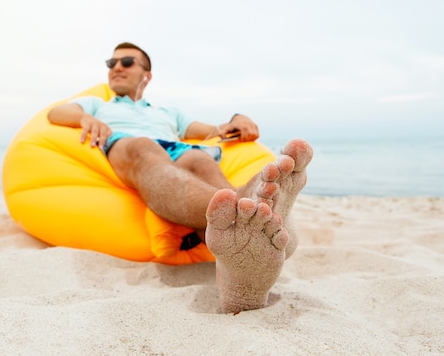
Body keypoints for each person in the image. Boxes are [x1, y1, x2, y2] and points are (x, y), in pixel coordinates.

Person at [47, 42, 313, 313]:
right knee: (144, 147)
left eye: (126, 62)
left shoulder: (168, 113)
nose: (116, 68)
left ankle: (243, 255)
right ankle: (251, 211)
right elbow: (56, 112)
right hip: (128, 144)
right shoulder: (98, 104)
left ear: (146, 76)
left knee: (200, 158)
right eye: (111, 63)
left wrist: (238, 117)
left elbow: (215, 131)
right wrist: (84, 119)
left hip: (177, 149)